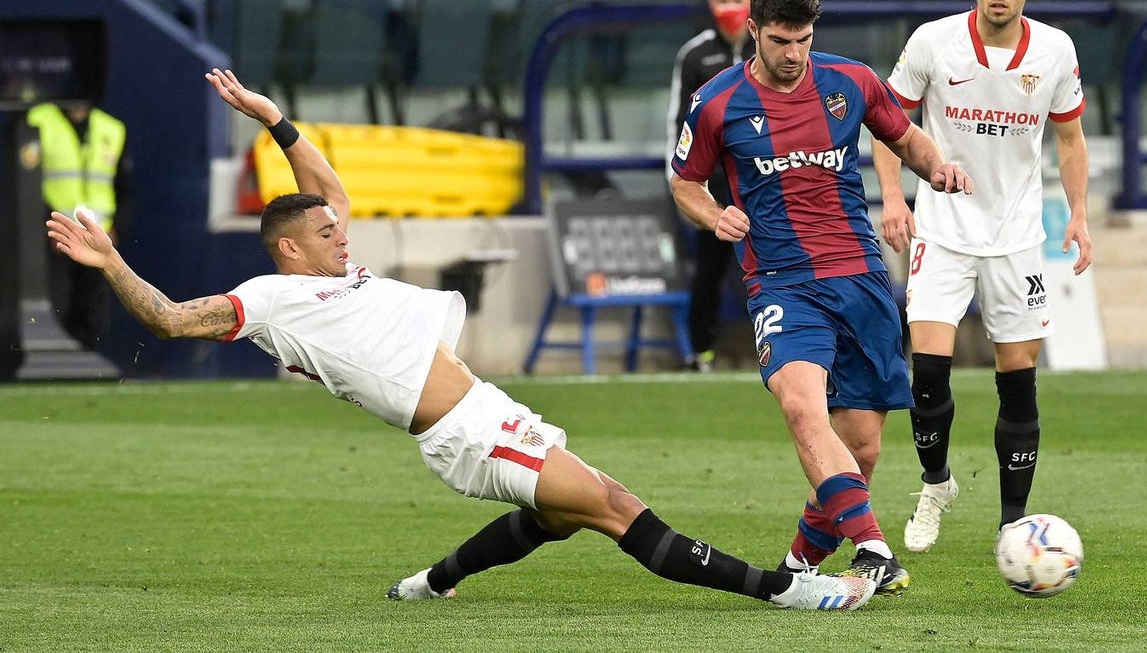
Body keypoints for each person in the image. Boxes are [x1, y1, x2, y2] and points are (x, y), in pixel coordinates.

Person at [45, 68, 876, 612]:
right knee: (618, 508)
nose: (343, 231)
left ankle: (432, 581)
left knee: (556, 518)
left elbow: (325, 186)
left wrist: (276, 121)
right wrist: (112, 259)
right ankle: (790, 591)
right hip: (463, 433)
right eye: (327, 231)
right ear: (290, 246)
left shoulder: (326, 268)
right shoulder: (267, 297)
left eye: (340, 227)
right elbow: (165, 317)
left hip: (483, 406)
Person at [669, 0, 974, 594]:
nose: (794, 54)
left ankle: (798, 567)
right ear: (754, 30)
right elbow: (683, 183)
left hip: (860, 278)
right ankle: (875, 549)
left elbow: (905, 137)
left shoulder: (851, 81)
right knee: (804, 409)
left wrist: (938, 168)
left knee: (860, 451)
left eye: (804, 39)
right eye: (781, 40)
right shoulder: (717, 102)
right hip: (781, 283)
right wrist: (714, 211)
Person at [873, 0, 1092, 553]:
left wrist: (1078, 214)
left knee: (1017, 375)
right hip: (941, 230)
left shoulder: (1055, 50)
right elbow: (890, 125)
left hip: (1017, 235)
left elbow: (1071, 140)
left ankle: (1013, 524)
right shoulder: (933, 42)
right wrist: (893, 199)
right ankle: (936, 484)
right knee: (928, 372)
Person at [666, 0, 756, 373]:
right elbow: (678, 120)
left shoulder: (769, 48)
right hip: (714, 187)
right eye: (723, 1)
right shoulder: (695, 54)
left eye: (738, 0)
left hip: (765, 180)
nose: (730, 9)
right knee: (709, 272)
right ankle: (700, 352)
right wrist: (684, 180)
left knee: (781, 267)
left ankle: (791, 353)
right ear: (711, 5)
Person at [26, 101, 132, 350]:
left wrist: (117, 228)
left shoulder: (112, 128)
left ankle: (87, 359)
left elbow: (124, 187)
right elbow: (26, 184)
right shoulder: (38, 121)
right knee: (56, 301)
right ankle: (53, 360)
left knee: (92, 306)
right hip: (55, 237)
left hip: (98, 239)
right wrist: (46, 228)